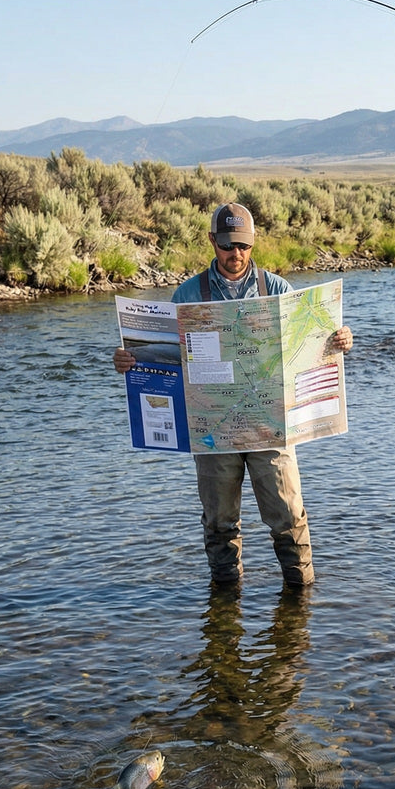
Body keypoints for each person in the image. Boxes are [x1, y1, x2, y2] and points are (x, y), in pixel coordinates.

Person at [114, 203, 353, 589]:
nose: (235, 254)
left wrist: (339, 340)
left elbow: (307, 344)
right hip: (213, 431)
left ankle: (301, 598)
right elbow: (168, 358)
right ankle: (224, 603)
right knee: (219, 521)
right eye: (227, 245)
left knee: (288, 517)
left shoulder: (277, 289)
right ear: (212, 241)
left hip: (271, 428)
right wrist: (130, 360)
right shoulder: (187, 294)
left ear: (253, 242)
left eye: (242, 245)